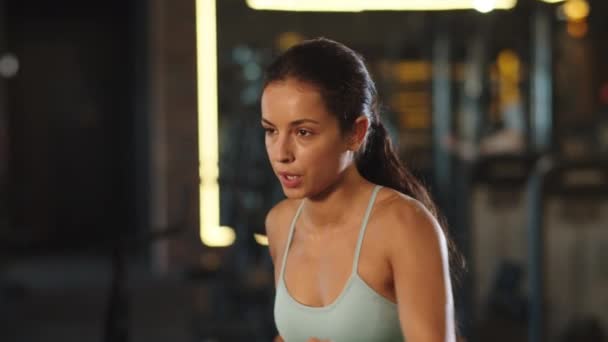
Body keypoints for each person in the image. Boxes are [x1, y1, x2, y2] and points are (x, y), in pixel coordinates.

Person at [261, 37, 459, 342]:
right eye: (271, 131)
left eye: (303, 132)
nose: (281, 153)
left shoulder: (403, 225)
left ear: (356, 133)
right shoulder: (280, 223)